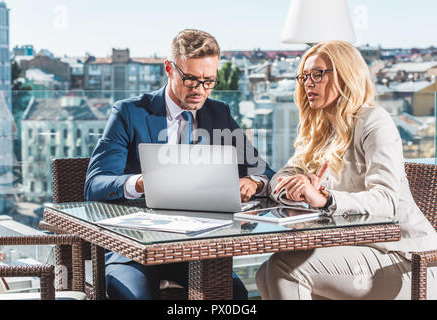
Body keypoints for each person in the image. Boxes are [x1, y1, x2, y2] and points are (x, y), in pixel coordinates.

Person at [84, 29, 275, 300]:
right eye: (190, 79)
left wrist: (254, 181)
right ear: (169, 69)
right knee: (134, 296)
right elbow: (95, 184)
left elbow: (264, 171)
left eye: (209, 81)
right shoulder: (129, 113)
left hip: (197, 248)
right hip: (132, 247)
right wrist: (141, 182)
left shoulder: (218, 113)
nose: (200, 90)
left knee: (233, 295)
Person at [255, 40, 437, 300]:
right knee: (266, 272)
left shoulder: (374, 122)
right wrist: (294, 190)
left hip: (407, 260)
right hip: (356, 250)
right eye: (304, 76)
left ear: (345, 76)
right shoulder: (317, 133)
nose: (308, 82)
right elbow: (279, 180)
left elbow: (387, 200)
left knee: (284, 268)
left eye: (318, 74)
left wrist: (325, 199)